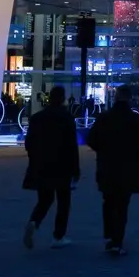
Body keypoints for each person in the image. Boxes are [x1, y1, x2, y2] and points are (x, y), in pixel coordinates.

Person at [85, 84, 139, 256]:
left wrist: (104, 149)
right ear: (130, 98)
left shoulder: (104, 118)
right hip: (129, 167)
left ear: (115, 97)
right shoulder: (136, 119)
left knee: (108, 201)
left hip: (107, 166)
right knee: (122, 205)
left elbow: (91, 139)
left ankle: (109, 235)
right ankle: (117, 240)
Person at [22, 86, 80, 250]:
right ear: (63, 99)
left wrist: (35, 159)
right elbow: (71, 146)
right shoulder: (67, 118)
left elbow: (29, 144)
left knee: (45, 199)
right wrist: (76, 170)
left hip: (42, 165)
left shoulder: (37, 118)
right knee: (63, 201)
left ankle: (34, 222)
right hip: (62, 166)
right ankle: (58, 236)